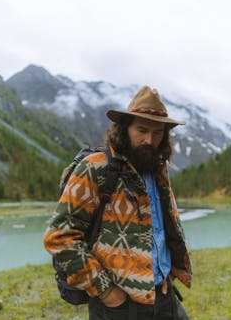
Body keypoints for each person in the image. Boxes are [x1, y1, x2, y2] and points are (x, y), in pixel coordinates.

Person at [44, 86, 192, 320]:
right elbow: (59, 237)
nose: (149, 140)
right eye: (142, 130)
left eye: (157, 133)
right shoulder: (96, 168)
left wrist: (168, 271)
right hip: (119, 306)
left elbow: (163, 229)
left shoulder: (158, 169)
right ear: (125, 129)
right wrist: (106, 291)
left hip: (163, 296)